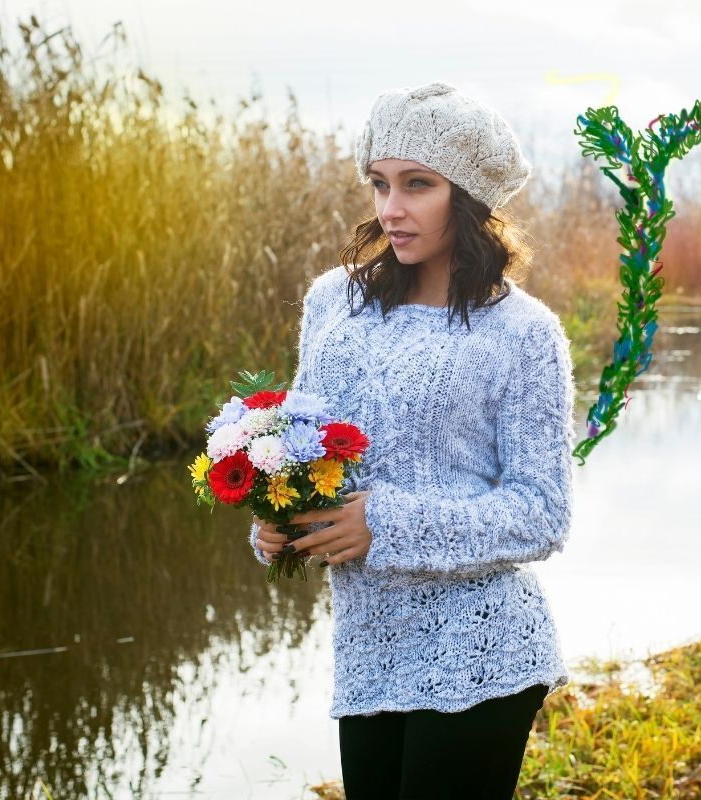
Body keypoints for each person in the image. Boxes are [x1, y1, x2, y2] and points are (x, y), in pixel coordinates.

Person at [247, 81, 575, 799]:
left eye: (417, 185)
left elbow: (542, 512)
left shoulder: (522, 335)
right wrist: (277, 520)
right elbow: (309, 450)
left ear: (469, 196)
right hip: (368, 646)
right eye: (379, 183)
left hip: (480, 651)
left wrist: (383, 522)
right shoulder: (334, 302)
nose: (390, 209)